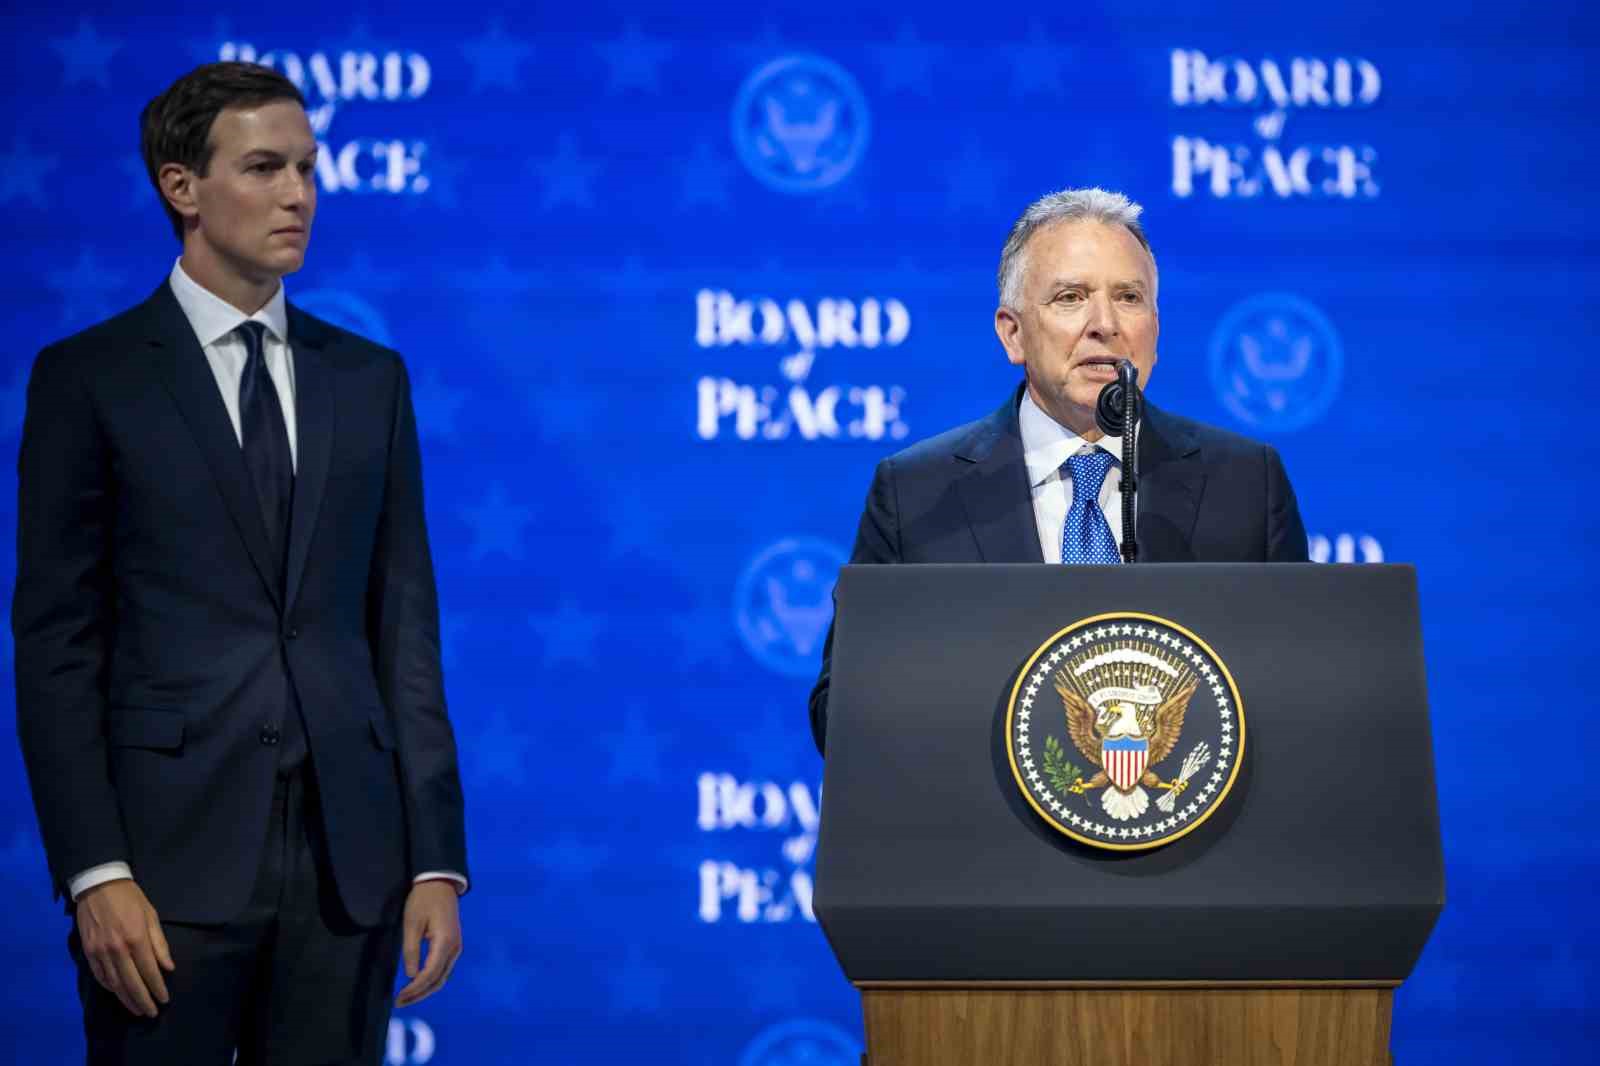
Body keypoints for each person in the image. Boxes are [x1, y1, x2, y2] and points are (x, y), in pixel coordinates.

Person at [12, 61, 468, 1063]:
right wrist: (95, 871)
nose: (299, 194)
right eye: (265, 168)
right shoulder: (90, 379)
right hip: (162, 873)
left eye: (308, 167)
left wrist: (435, 859)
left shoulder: (370, 380)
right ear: (182, 187)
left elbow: (404, 627)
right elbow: (55, 648)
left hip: (348, 876)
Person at [808, 187, 1309, 752]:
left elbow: (1303, 695)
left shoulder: (1245, 482)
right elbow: (841, 714)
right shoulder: (918, 493)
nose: (1105, 324)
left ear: (1155, 328)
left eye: (1129, 297)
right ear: (1013, 333)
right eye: (1071, 297)